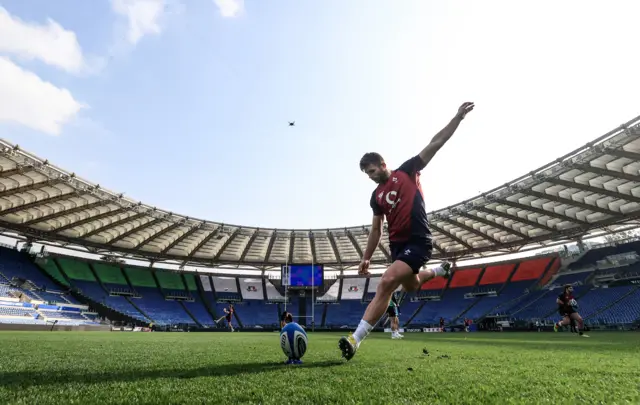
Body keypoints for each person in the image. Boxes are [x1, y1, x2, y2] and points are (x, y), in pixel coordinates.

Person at [338, 102, 475, 360]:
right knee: (411, 286)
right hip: (399, 248)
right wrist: (366, 257)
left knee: (387, 283)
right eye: (366, 174)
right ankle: (437, 271)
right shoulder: (375, 196)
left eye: (371, 171)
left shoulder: (407, 171)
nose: (369, 176)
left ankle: (355, 339)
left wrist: (457, 118)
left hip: (418, 240)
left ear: (382, 164)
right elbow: (376, 229)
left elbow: (436, 143)